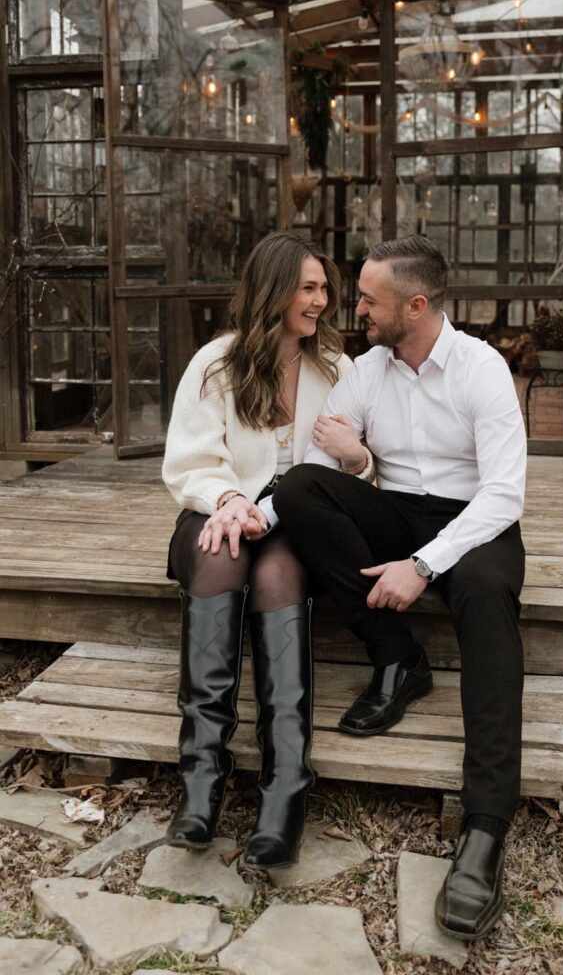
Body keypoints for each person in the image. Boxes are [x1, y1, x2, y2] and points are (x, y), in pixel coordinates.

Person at [272, 235, 527, 938]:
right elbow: (322, 462)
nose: (353, 309)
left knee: (484, 596)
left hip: (475, 523)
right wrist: (245, 514)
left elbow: (504, 496)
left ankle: (484, 828)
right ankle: (398, 658)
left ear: (416, 306)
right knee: (297, 491)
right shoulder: (367, 370)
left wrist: (424, 566)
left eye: (367, 299)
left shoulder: (481, 369)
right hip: (397, 509)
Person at [161, 232, 372, 868]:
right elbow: (190, 462)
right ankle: (202, 781)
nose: (322, 300)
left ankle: (285, 793)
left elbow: (361, 469)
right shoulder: (216, 364)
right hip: (217, 516)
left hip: (292, 526)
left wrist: (357, 460)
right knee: (223, 552)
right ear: (275, 291)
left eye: (325, 288)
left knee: (279, 572)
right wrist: (227, 501)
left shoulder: (338, 368)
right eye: (308, 288)